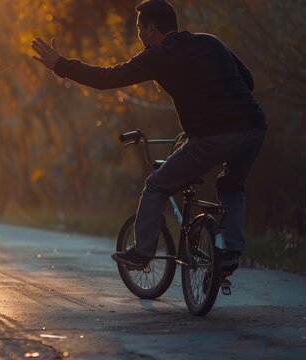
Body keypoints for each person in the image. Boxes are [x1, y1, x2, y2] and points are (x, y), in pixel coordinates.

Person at [31, 0, 266, 276]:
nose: (139, 35)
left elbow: (107, 78)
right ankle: (229, 253)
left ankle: (142, 252)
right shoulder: (210, 42)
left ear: (151, 29)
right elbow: (247, 81)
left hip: (213, 135)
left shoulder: (159, 56)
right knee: (231, 187)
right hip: (254, 129)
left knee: (156, 185)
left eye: (140, 29)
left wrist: (61, 65)